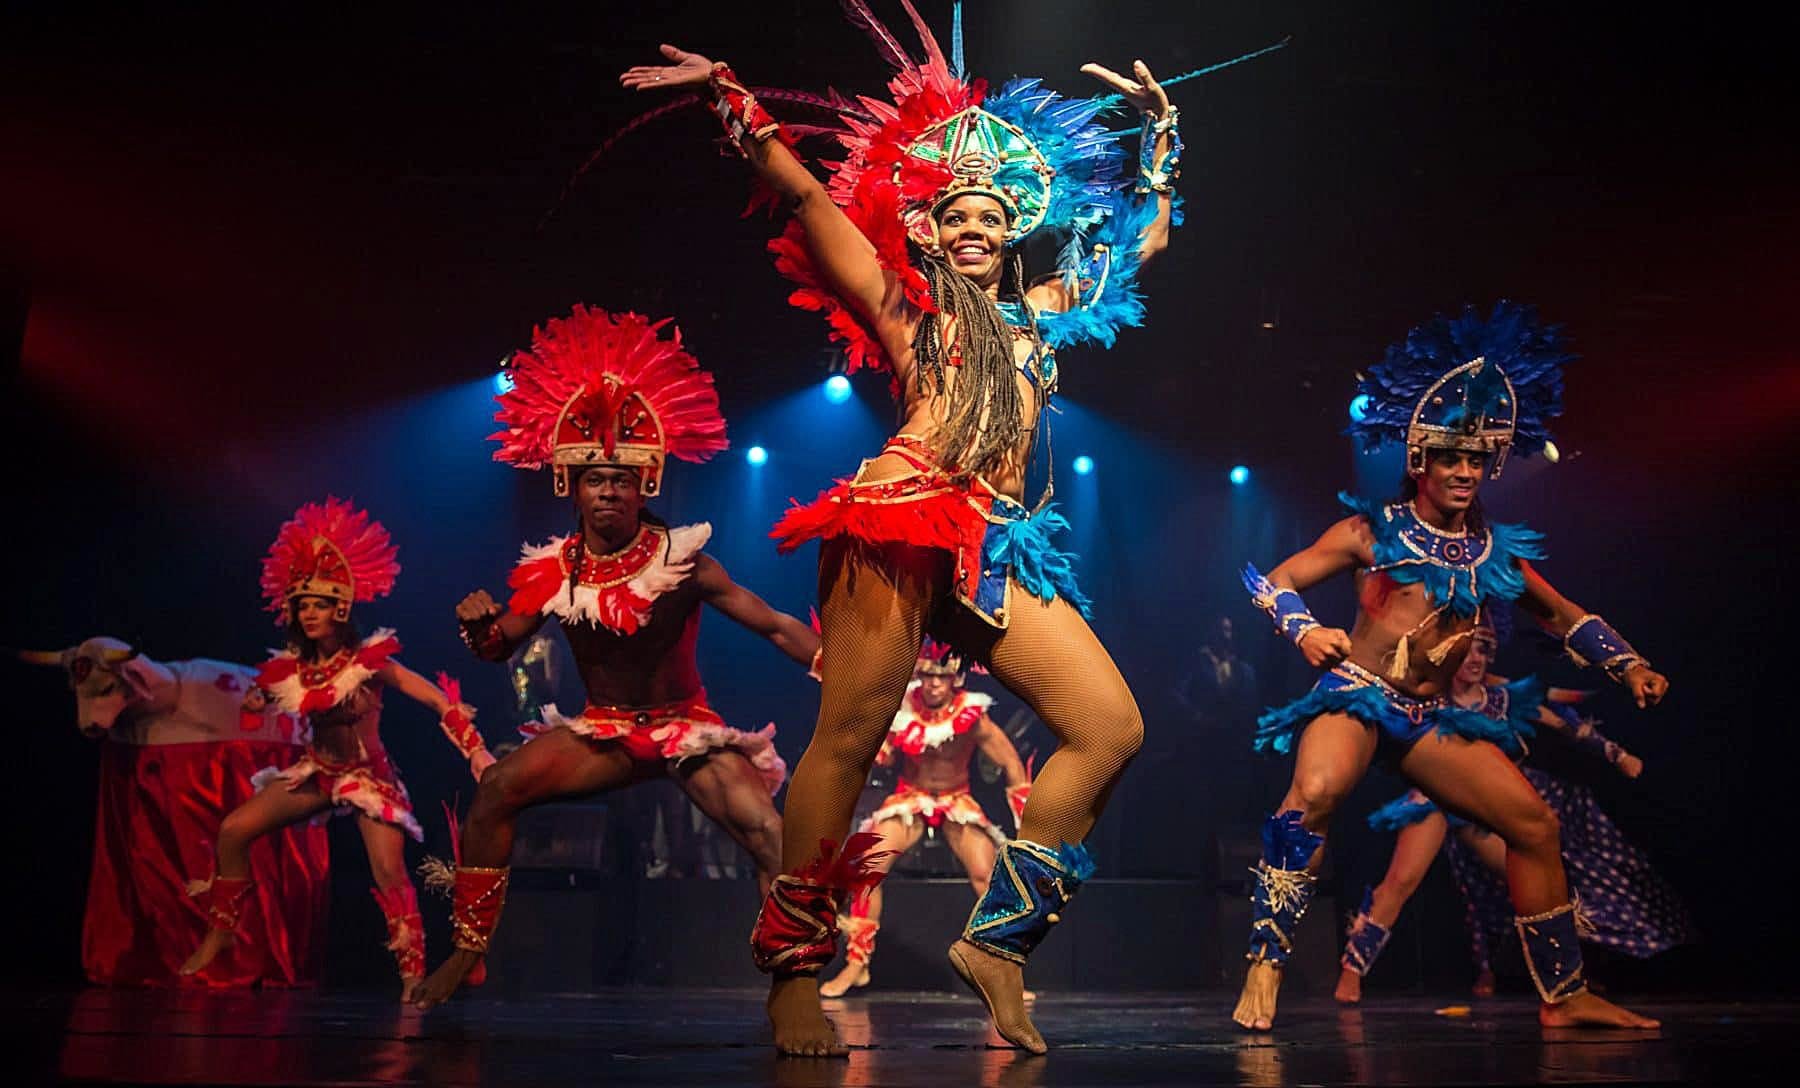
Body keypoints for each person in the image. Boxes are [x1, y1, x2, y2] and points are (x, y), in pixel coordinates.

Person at [620, 2, 1207, 1054]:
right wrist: (732, 98)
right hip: (902, 520)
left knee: (1111, 726)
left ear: (1017, 227)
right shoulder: (905, 308)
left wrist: (1162, 140)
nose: (976, 227)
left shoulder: (1050, 315)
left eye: (994, 214)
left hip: (1001, 542)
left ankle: (1000, 941)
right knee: (845, 739)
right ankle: (795, 972)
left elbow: (1148, 239)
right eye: (957, 214)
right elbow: (802, 194)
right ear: (931, 228)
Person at [1231, 302, 1667, 1031]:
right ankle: (1266, 963)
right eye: (1450, 458)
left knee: (1533, 825)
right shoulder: (1371, 531)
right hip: (1358, 695)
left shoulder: (1495, 550)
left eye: (1476, 459)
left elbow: (1561, 614)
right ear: (1420, 461)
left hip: (1433, 718)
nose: (1466, 471)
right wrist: (1305, 630)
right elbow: (1271, 580)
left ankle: (1565, 996)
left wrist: (1628, 664)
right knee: (1315, 790)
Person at [411, 305, 820, 1009]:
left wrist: (845, 673)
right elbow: (497, 647)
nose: (609, 490)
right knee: (496, 791)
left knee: (769, 835)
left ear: (645, 486)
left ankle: (794, 985)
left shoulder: (683, 562)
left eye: (622, 479)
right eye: (596, 478)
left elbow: (776, 625)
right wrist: (477, 627)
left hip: (684, 728)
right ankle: (469, 954)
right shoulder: (554, 572)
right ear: (572, 485)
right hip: (603, 732)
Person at [181, 498, 494, 996]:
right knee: (233, 830)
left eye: (318, 604)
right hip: (319, 772)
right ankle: (220, 932)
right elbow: (251, 713)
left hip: (368, 778)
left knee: (389, 871)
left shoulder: (370, 662)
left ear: (341, 607)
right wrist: (257, 700)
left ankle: (413, 978)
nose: (308, 613)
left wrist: (475, 751)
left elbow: (437, 700)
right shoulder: (291, 668)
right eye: (302, 604)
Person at [1337, 627, 1688, 1002]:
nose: (1474, 660)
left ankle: (1563, 974)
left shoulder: (1503, 697)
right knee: (1401, 879)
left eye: (1484, 651)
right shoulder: (1429, 694)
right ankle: (1350, 974)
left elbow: (1565, 723)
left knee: (1531, 874)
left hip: (1483, 805)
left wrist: (1615, 754)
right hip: (1433, 796)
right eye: (1467, 652)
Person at [820, 640, 1031, 997]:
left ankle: (998, 973)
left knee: (987, 876)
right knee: (867, 868)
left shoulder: (971, 714)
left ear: (955, 680)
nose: (933, 685)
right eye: (928, 676)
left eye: (941, 678)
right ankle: (857, 964)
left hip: (957, 798)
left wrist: (1026, 822)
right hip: (911, 796)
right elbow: (878, 758)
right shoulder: (902, 711)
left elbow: (1011, 765)